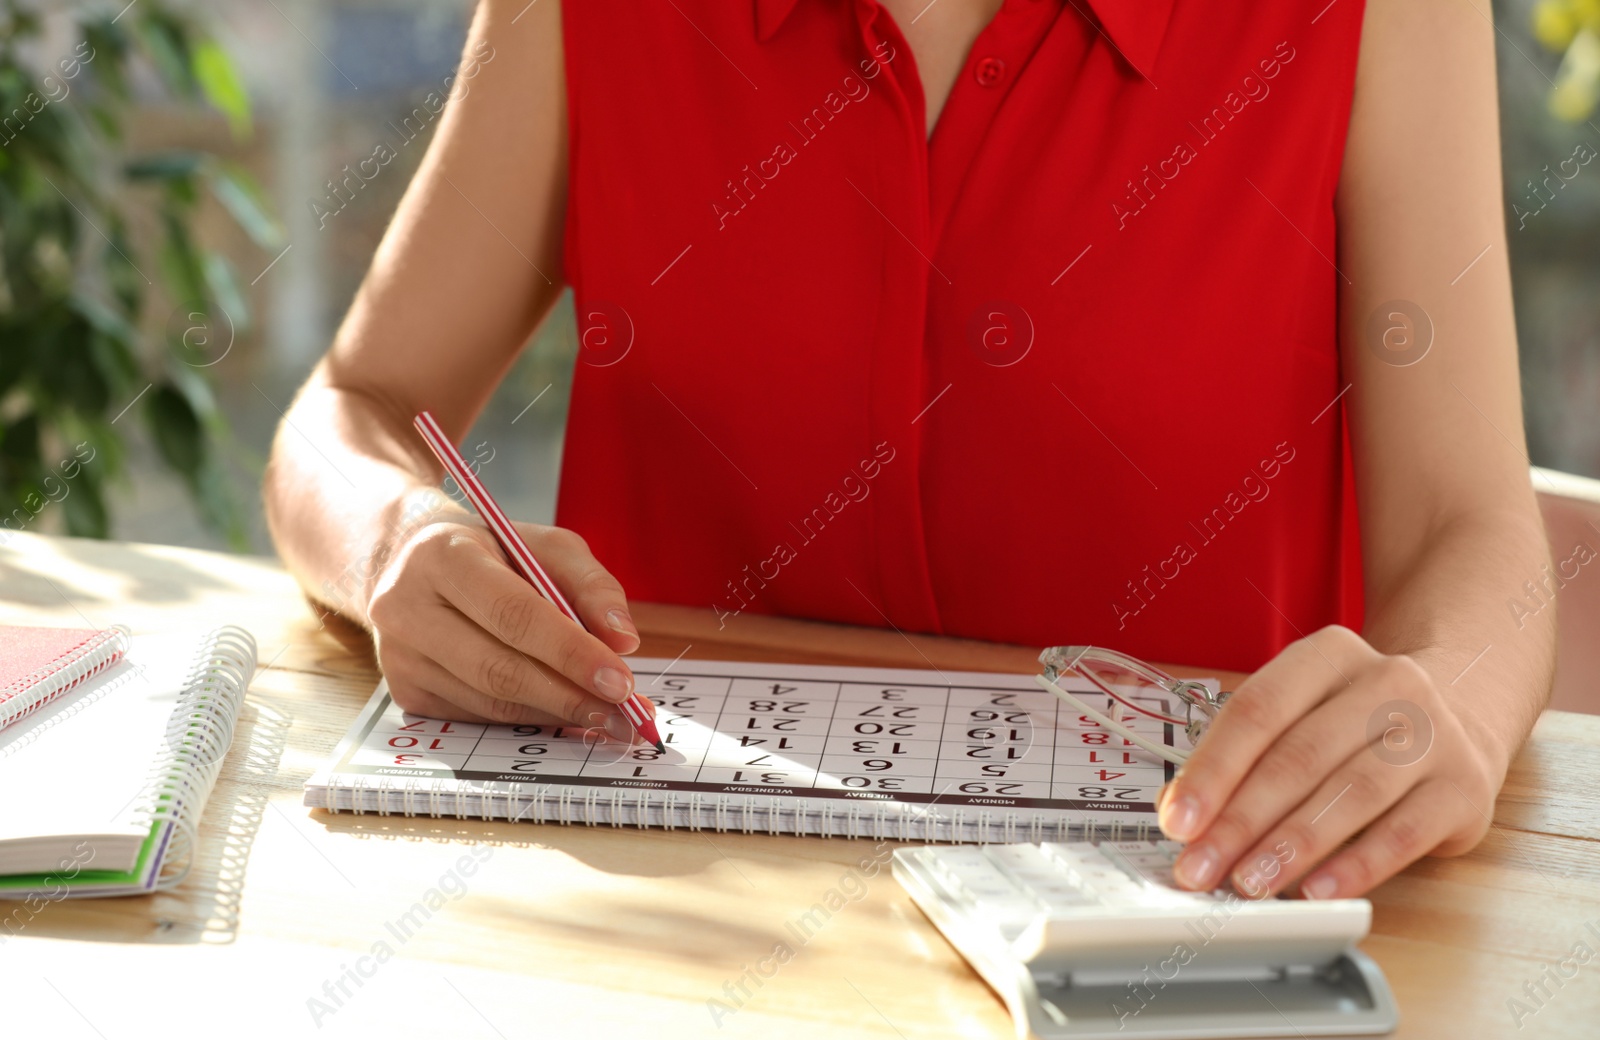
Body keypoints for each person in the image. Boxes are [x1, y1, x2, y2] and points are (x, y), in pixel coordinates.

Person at [264, 0, 1555, 902]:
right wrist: (392, 540)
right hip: (668, 908)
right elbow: (353, 410)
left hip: (1205, 912)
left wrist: (1454, 705)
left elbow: (1469, 528)